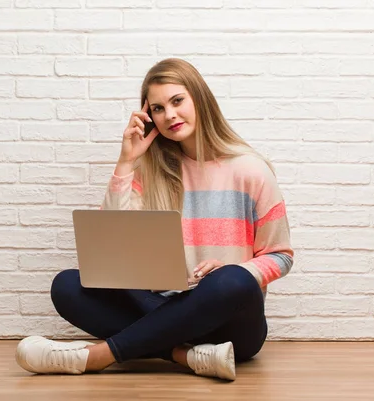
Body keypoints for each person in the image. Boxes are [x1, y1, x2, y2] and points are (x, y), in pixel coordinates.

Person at [15, 58, 294, 381]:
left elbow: (280, 256)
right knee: (67, 285)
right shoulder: (150, 173)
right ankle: (185, 355)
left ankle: (99, 356)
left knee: (233, 280)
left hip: (229, 323)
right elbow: (110, 246)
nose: (170, 115)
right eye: (158, 109)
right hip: (161, 306)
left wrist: (234, 271)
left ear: (199, 98)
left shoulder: (251, 170)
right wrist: (126, 161)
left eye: (177, 101)